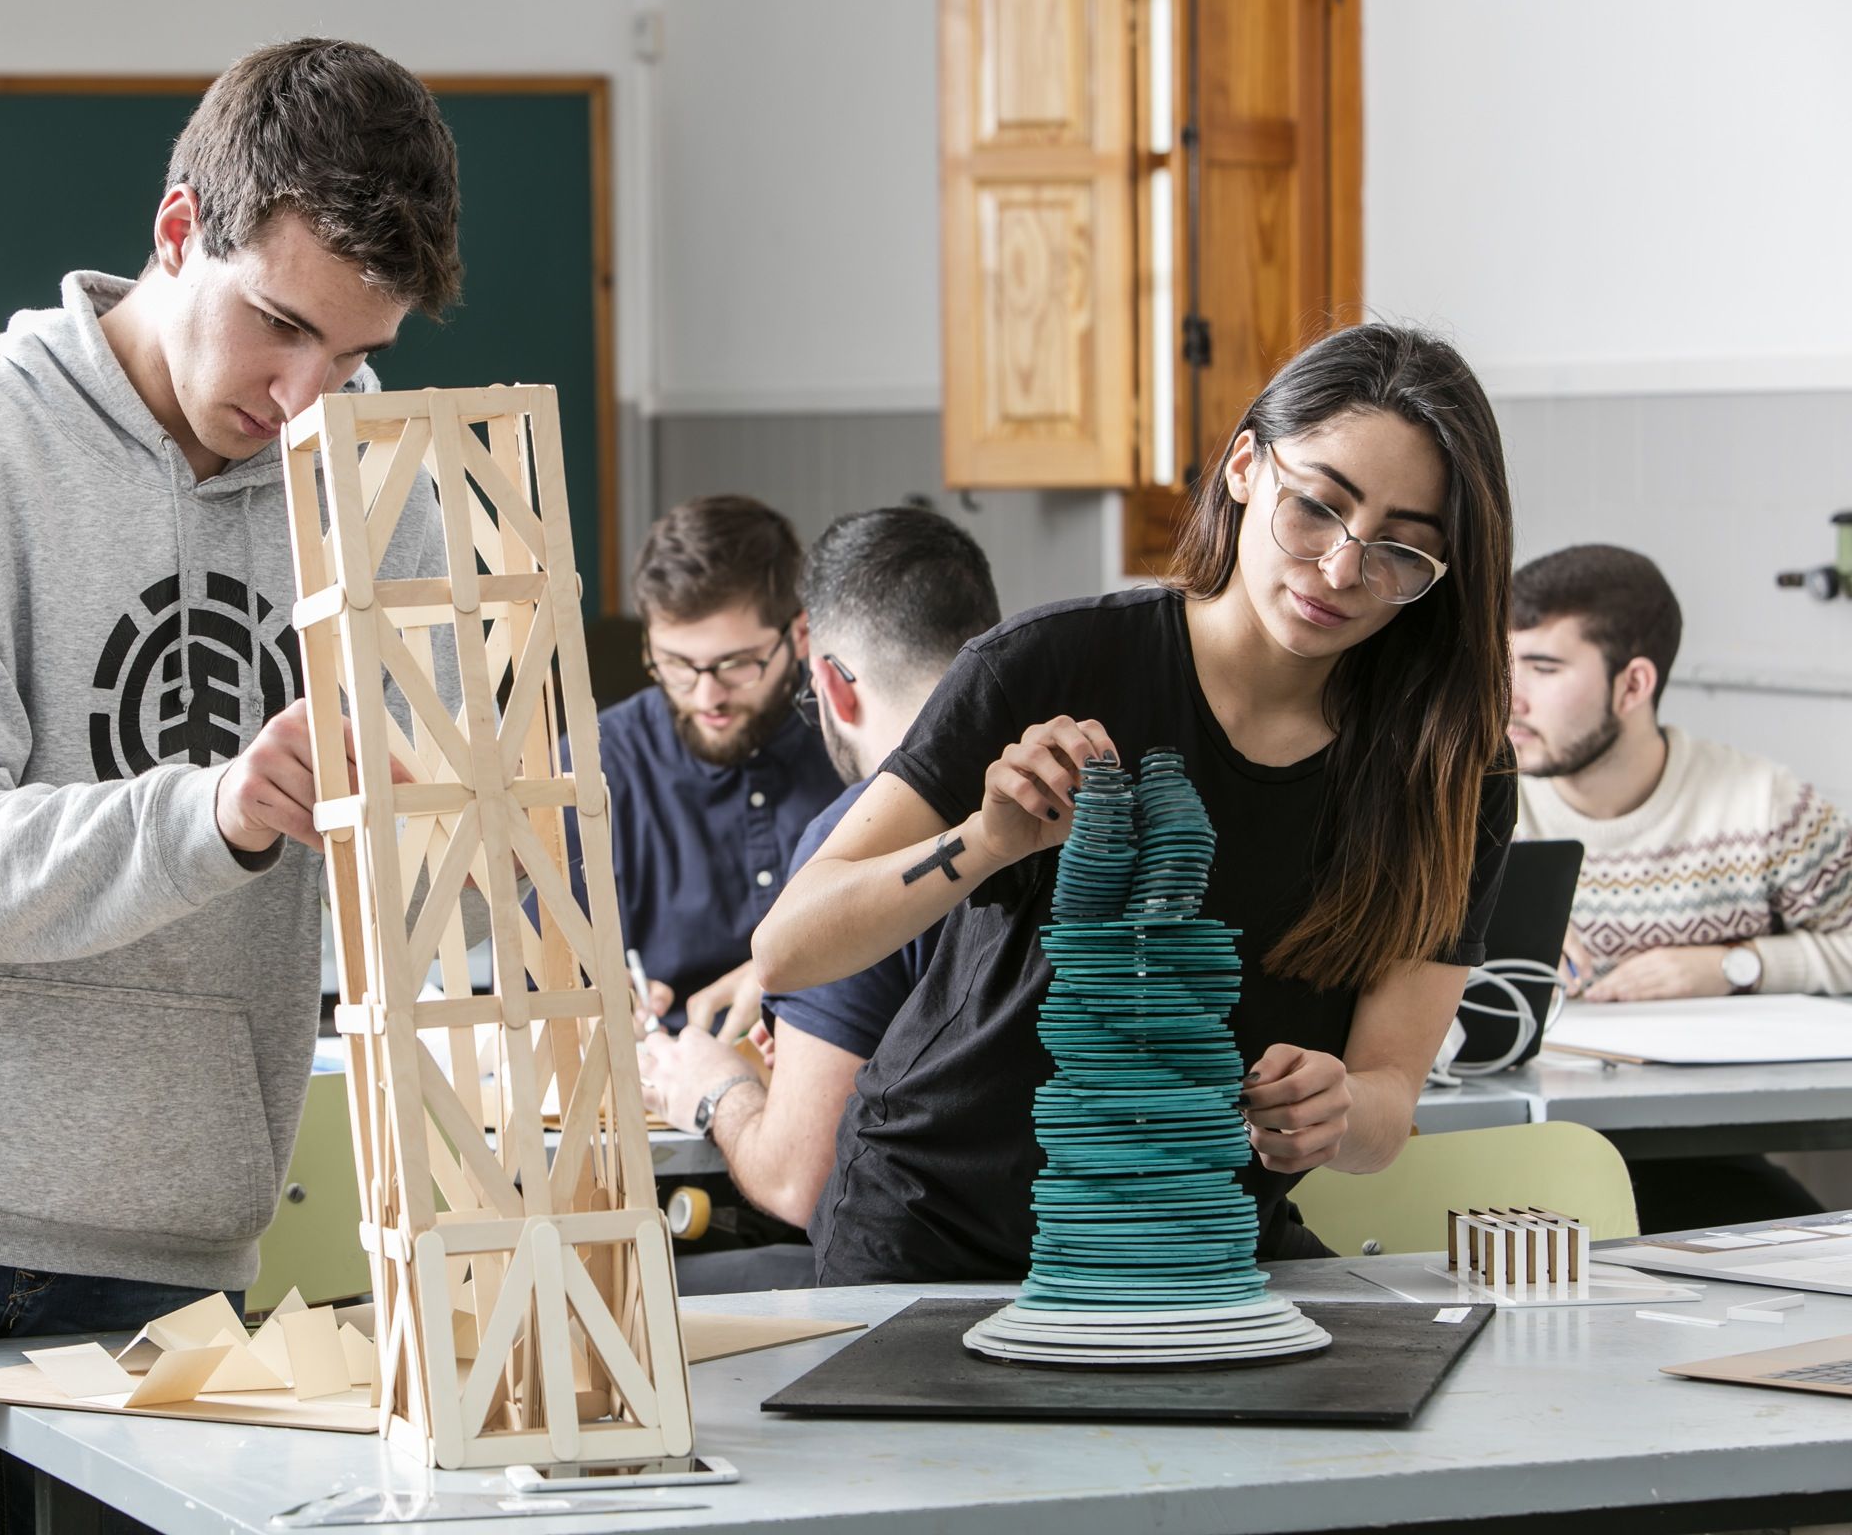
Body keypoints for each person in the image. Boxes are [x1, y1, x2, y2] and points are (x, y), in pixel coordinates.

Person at [0, 40, 462, 1534]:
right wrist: (222, 810)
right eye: (278, 328)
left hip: (164, 1241)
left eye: (356, 356)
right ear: (179, 229)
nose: (307, 395)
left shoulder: (388, 510)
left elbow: (444, 861)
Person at [754, 323, 1517, 1283]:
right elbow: (790, 944)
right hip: (936, 1238)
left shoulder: (1450, 768)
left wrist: (1340, 1109)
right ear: (1245, 466)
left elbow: (1386, 1107)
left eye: (1402, 551)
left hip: (1189, 1247)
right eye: (1318, 508)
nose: (1340, 573)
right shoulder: (1052, 664)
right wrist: (984, 843)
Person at [639, 506, 1001, 1241]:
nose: (708, 694)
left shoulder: (846, 845)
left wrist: (714, 1090)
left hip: (925, 1297)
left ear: (829, 682)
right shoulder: (1106, 790)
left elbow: (799, 1183)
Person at [1510, 542, 1852, 1229]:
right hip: (1492, 1156)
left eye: (1543, 669)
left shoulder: (1764, 805)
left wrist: (1735, 966)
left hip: (1688, 1162)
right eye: (1503, 665)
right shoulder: (1463, 807)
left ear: (1633, 685)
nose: (1508, 696)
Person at [595, 495, 843, 1039]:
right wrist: (595, 1004)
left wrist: (788, 974)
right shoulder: (593, 767)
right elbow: (537, 985)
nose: (707, 696)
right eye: (677, 666)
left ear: (800, 634)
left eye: (736, 665)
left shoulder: (857, 745)